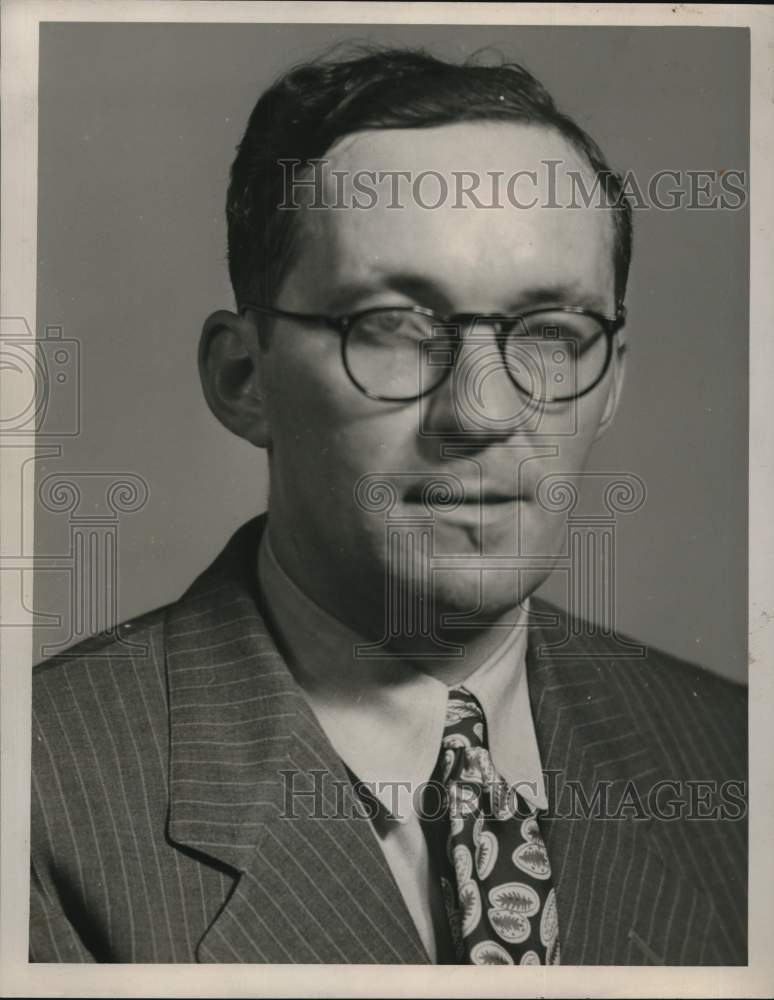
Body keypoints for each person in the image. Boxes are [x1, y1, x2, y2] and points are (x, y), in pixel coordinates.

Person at [30, 46, 746, 965]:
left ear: (608, 387)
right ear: (243, 378)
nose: (484, 413)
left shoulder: (733, 757)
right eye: (395, 330)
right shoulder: (40, 801)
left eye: (552, 335)